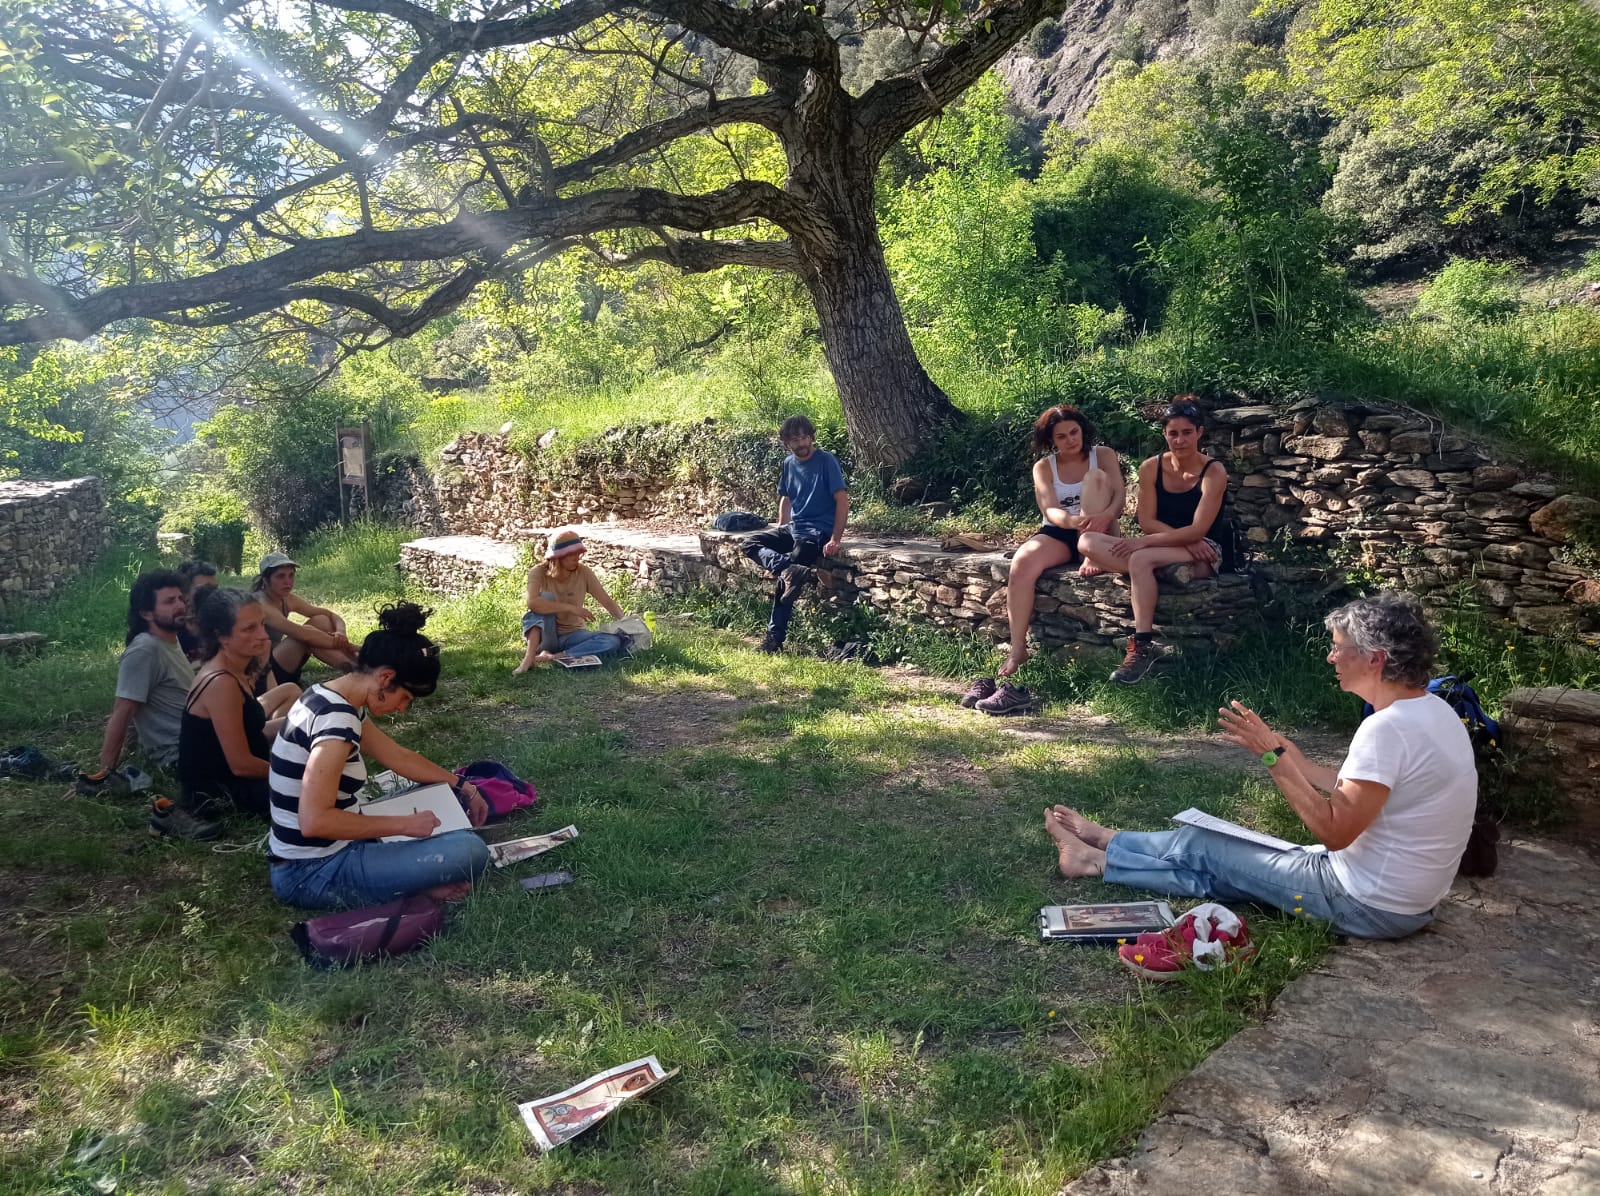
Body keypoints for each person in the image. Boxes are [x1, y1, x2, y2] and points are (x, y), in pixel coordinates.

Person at [1044, 591, 1478, 941]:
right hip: (1405, 904)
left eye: (1338, 648)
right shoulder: (1434, 711)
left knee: (1204, 844)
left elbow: (1335, 831)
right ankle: (1096, 857)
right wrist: (1295, 758)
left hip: (1364, 902)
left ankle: (1107, 841)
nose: (1331, 658)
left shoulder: (1387, 729)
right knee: (1223, 871)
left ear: (1375, 659)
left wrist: (1272, 759)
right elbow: (1362, 791)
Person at [267, 602, 491, 909]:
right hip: (312, 871)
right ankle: (413, 886)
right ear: (386, 679)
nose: (402, 709)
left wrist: (461, 784)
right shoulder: (337, 720)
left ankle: (408, 878)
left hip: (324, 852)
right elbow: (314, 821)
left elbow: (399, 757)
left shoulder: (333, 696)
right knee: (470, 850)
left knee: (437, 791)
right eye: (405, 698)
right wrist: (403, 825)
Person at [1078, 398, 1232, 684]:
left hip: (1205, 551)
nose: (1180, 440)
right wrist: (1165, 541)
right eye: (1173, 433)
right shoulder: (1152, 467)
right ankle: (1157, 572)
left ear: (1199, 433)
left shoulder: (1214, 471)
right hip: (1169, 546)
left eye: (1187, 432)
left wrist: (1145, 543)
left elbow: (1199, 529)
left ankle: (1141, 645)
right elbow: (1146, 521)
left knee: (1139, 558)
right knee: (1087, 542)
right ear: (1164, 435)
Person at [1000, 405, 1125, 678]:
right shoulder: (1044, 467)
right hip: (1062, 529)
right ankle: (1017, 648)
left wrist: (1101, 517)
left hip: (1102, 526)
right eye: (1062, 436)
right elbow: (1050, 510)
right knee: (1021, 563)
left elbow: (1119, 497)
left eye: (1074, 432)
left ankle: (1091, 553)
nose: (1071, 440)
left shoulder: (1101, 455)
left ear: (1083, 430)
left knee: (1096, 478)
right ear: (1050, 440)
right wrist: (1074, 522)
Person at [173, 588, 303, 836]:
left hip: (240, 774)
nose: (264, 636)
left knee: (311, 727)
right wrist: (294, 769)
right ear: (222, 637)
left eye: (262, 625)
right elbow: (241, 765)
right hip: (222, 790)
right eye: (249, 629)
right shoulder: (221, 681)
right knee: (320, 787)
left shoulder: (235, 667)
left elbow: (248, 728)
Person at [740, 415, 849, 653]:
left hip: (817, 531)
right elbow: (786, 498)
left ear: (811, 437)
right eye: (794, 440)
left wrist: (835, 539)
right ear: (786, 443)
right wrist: (781, 526)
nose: (801, 443)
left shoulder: (826, 461)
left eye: (804, 437)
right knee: (750, 543)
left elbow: (842, 500)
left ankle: (774, 638)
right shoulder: (789, 464)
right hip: (795, 527)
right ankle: (786, 568)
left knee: (787, 579)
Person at [79, 570, 195, 795]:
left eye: (180, 598)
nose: (180, 605)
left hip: (198, 738)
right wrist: (104, 775)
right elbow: (122, 713)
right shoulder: (145, 649)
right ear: (146, 613)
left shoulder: (169, 639)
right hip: (180, 754)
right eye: (169, 601)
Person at [513, 530, 626, 672]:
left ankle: (556, 657)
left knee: (612, 640)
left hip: (574, 635)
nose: (577, 557)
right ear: (558, 556)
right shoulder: (538, 572)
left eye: (578, 553)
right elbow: (532, 603)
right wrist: (571, 608)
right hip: (546, 636)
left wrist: (626, 622)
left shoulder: (584, 572)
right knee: (544, 599)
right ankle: (529, 658)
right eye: (572, 553)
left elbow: (606, 601)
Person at [251, 551, 357, 687]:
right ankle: (357, 668)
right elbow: (303, 634)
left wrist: (341, 632)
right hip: (264, 673)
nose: (287, 582)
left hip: (280, 659)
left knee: (321, 619)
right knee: (306, 636)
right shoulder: (262, 604)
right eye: (280, 576)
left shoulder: (287, 599)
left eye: (291, 575)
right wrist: (350, 646)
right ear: (265, 580)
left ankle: (357, 662)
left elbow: (329, 615)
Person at [176, 559, 219, 662]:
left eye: (215, 589)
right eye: (204, 589)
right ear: (183, 593)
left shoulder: (221, 622)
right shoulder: (172, 627)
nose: (212, 594)